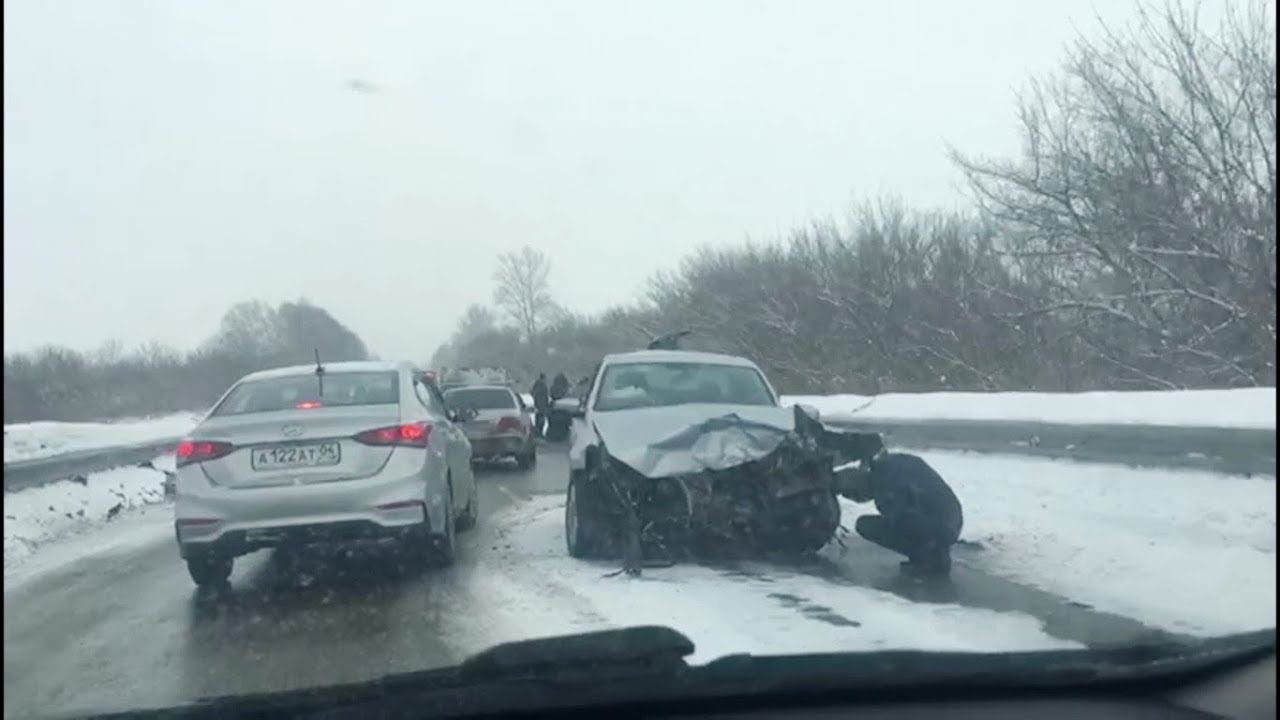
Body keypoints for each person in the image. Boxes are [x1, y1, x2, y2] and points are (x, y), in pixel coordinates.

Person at [840, 450, 963, 577]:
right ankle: (934, 552)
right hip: (953, 519)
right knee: (905, 518)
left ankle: (929, 558)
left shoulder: (885, 488)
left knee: (866, 525)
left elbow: (901, 516)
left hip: (939, 525)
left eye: (856, 496)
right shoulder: (891, 464)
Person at [530, 373, 550, 438]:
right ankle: (539, 434)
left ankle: (537, 433)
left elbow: (532, 393)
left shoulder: (536, 384)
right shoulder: (543, 386)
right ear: (543, 378)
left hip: (537, 405)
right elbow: (545, 397)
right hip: (542, 406)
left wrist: (535, 401)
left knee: (538, 420)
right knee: (541, 421)